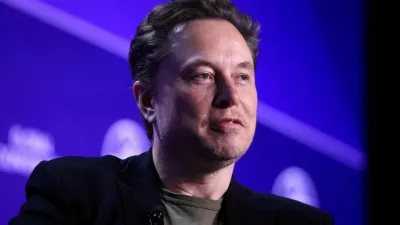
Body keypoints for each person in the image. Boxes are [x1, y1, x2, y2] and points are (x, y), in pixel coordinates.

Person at [9, 0, 335, 224]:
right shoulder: (74, 194)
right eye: (203, 75)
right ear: (148, 101)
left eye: (242, 76)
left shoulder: (301, 222)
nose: (231, 96)